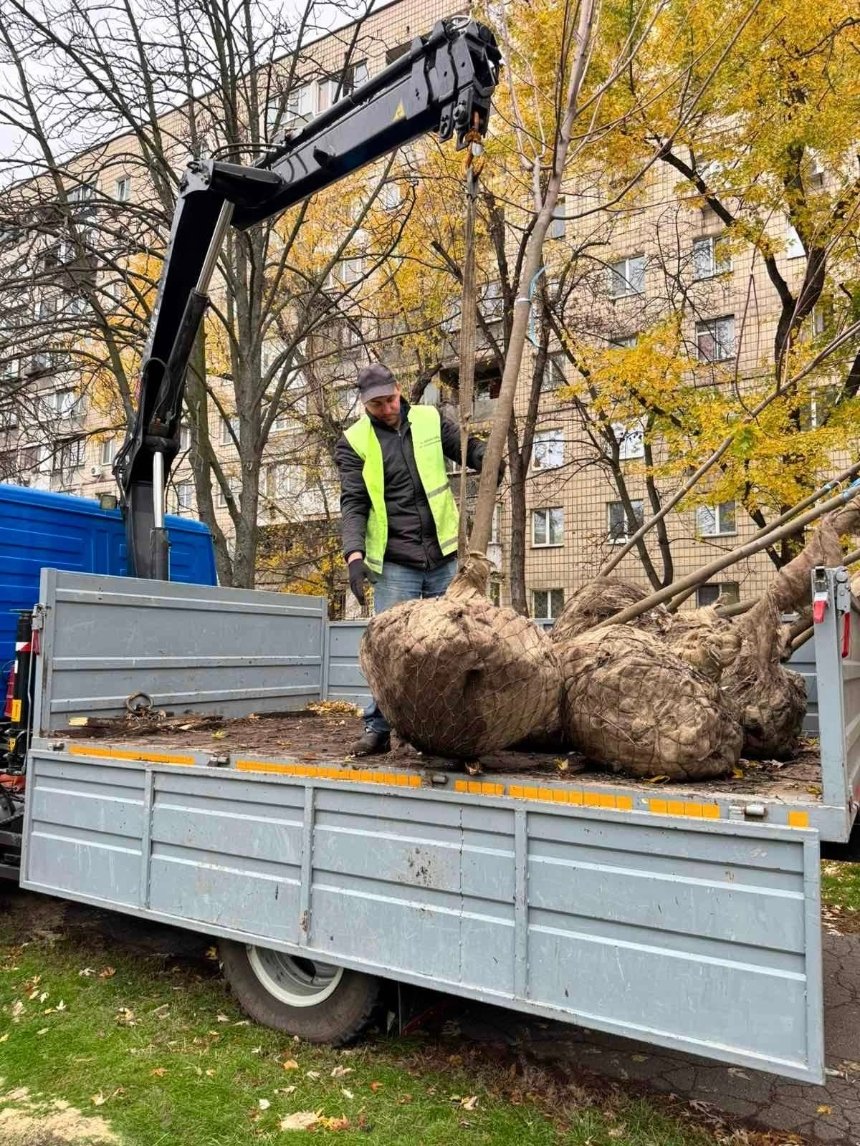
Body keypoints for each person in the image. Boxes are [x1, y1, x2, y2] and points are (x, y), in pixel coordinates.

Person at [334, 362, 498, 756]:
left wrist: (486, 457)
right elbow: (353, 502)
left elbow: (465, 448)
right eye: (377, 405)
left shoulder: (429, 419)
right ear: (364, 404)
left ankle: (450, 729)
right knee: (390, 648)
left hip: (443, 556)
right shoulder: (354, 442)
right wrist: (354, 554)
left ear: (398, 389)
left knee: (452, 645)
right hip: (395, 562)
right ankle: (378, 728)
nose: (387, 409)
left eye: (390, 400)